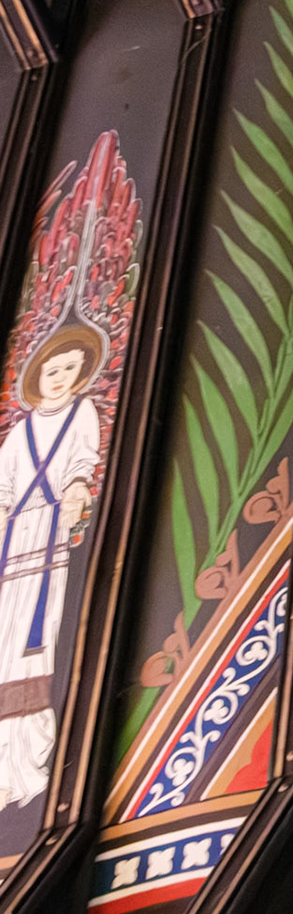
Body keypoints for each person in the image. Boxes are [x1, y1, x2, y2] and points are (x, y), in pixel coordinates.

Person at [0, 322, 104, 808]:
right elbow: (3, 487)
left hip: (48, 542)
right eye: (51, 369)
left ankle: (28, 764)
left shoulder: (83, 413)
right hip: (13, 542)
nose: (60, 376)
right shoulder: (20, 431)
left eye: (70, 368)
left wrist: (78, 491)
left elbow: (83, 465)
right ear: (35, 376)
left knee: (33, 648)